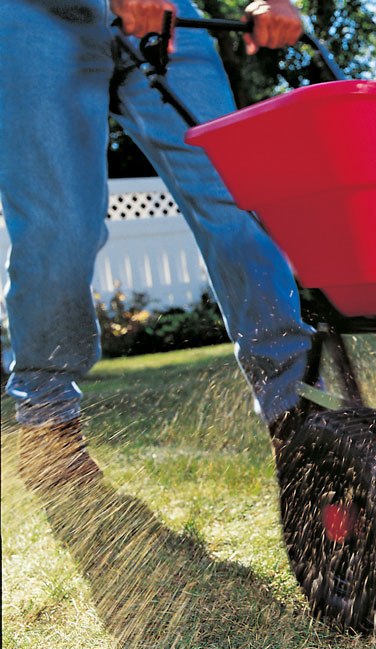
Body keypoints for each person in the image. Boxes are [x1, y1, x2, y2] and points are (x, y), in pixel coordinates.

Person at [0, 0, 316, 490]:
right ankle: (49, 427)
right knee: (58, 228)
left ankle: (294, 411)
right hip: (37, 18)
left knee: (235, 198)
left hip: (171, 18)